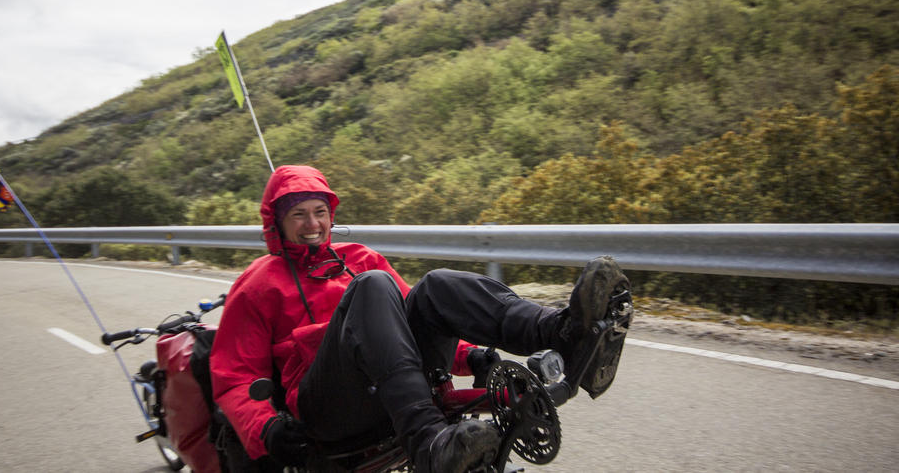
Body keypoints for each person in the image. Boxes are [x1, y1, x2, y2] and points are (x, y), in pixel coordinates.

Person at [210, 165, 631, 472]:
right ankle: (429, 442)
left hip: (395, 382)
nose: (312, 224)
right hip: (329, 409)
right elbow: (233, 377)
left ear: (331, 214)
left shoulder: (359, 258)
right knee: (374, 287)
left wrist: (472, 357)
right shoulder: (258, 284)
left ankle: (565, 333)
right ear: (277, 222)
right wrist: (264, 429)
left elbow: (410, 322)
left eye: (319, 211)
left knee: (435, 286)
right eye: (298, 215)